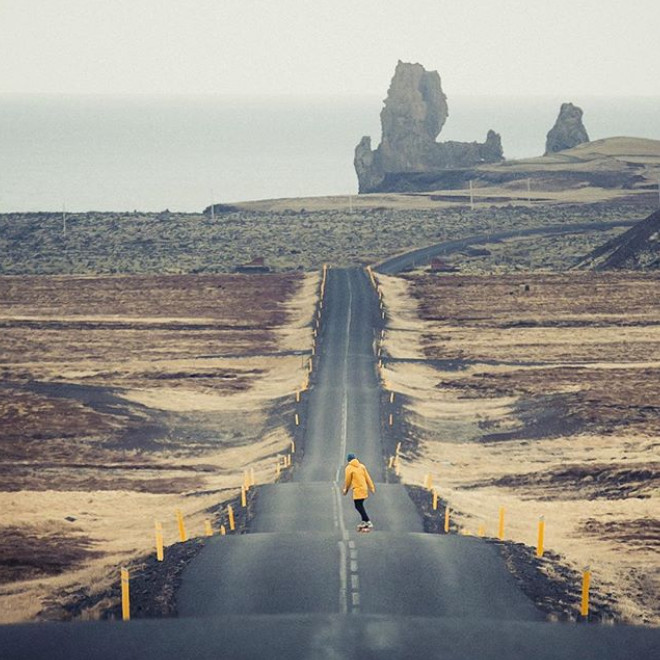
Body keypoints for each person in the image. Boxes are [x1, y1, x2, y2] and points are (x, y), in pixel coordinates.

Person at [342, 452, 375, 529]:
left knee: (358, 506)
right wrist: (372, 487)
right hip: (364, 488)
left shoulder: (348, 468)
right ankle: (364, 521)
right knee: (360, 505)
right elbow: (368, 478)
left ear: (348, 460)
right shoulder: (362, 466)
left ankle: (368, 521)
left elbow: (348, 481)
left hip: (358, 490)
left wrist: (345, 490)